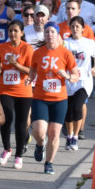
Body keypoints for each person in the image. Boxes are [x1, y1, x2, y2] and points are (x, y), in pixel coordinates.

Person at [29, 23, 79, 175]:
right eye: (47, 32)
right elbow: (32, 69)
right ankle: (39, 144)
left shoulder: (66, 53)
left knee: (54, 133)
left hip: (59, 99)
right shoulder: (37, 53)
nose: (49, 34)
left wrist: (67, 76)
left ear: (58, 35)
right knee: (39, 131)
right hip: (40, 97)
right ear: (44, 35)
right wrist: (30, 79)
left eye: (52, 32)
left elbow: (76, 75)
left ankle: (49, 163)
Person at [0, 20, 34, 170]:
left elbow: (31, 71)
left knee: (21, 123)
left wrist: (16, 64)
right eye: (10, 31)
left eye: (16, 31)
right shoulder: (2, 47)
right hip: (5, 89)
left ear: (22, 33)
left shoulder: (27, 49)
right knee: (6, 118)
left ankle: (18, 156)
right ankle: (6, 149)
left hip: (23, 91)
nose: (13, 33)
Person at [63, 15, 95, 150]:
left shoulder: (89, 43)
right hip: (68, 81)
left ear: (83, 29)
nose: (75, 29)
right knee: (68, 110)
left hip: (84, 81)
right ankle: (69, 135)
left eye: (77, 27)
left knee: (77, 107)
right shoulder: (65, 43)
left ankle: (75, 137)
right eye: (72, 26)